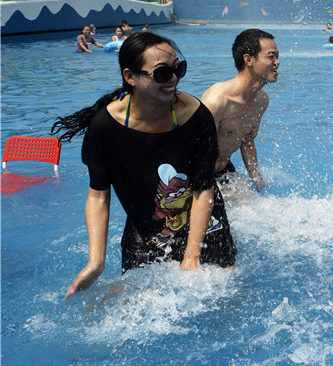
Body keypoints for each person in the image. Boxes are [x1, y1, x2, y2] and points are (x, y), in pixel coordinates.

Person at [52, 33, 236, 298]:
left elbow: (203, 188)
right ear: (130, 77)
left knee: (222, 300)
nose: (173, 78)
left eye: (178, 68)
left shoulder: (196, 117)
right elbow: (98, 196)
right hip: (146, 230)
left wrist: (192, 256)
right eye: (162, 73)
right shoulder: (105, 128)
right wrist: (96, 262)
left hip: (206, 224)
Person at [201, 29, 279, 191]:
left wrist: (259, 183)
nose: (277, 62)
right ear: (248, 59)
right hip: (200, 174)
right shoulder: (217, 100)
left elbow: (248, 142)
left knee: (257, 206)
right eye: (271, 56)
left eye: (277, 56)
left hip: (224, 171)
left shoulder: (262, 100)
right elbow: (197, 151)